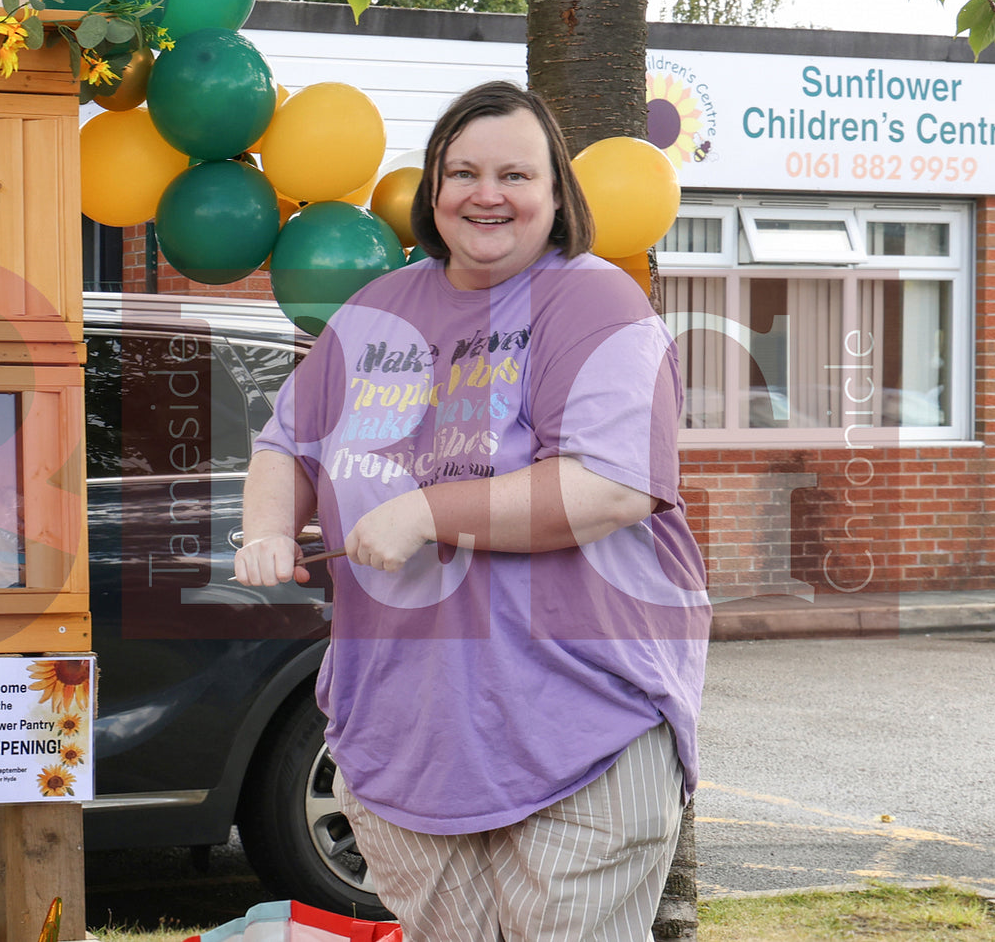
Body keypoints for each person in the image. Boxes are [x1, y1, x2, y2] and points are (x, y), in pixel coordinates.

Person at [234, 80, 710, 942]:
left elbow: (609, 484)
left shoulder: (595, 302)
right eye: (463, 172)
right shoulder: (375, 311)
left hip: (581, 736)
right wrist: (268, 526)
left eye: (515, 175)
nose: (486, 194)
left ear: (556, 193)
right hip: (405, 746)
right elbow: (286, 445)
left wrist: (425, 510)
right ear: (433, 189)